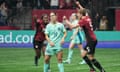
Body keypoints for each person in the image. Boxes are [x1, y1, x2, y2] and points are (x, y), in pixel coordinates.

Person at [63, 7, 105, 72]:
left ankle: (100, 70)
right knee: (86, 55)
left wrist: (66, 21)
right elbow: (84, 11)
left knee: (89, 57)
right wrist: (79, 5)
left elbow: (72, 27)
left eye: (78, 14)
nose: (77, 15)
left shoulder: (83, 20)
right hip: (92, 40)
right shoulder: (87, 18)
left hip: (91, 40)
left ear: (81, 14)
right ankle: (93, 69)